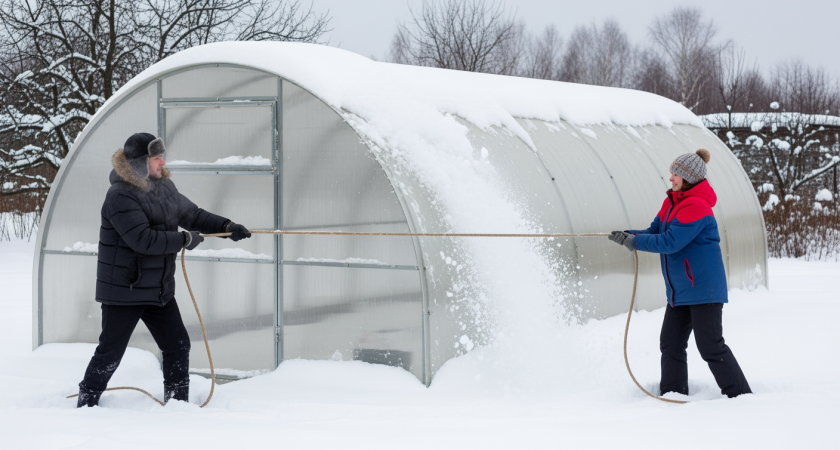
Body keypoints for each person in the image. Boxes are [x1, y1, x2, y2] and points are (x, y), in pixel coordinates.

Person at [76, 132, 252, 407]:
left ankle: (177, 403)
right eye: (156, 158)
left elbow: (192, 215)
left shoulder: (164, 188)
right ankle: (86, 402)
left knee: (177, 345)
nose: (163, 162)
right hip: (124, 291)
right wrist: (184, 240)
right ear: (140, 163)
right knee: (110, 353)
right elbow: (143, 240)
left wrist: (226, 226)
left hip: (158, 290)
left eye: (161, 156)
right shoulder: (119, 196)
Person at [608, 149, 751, 398]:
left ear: (689, 177)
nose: (671, 178)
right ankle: (673, 394)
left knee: (710, 346)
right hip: (681, 290)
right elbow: (655, 231)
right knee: (671, 343)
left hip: (704, 289)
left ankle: (740, 396)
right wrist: (629, 235)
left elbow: (670, 242)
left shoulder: (697, 206)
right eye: (672, 172)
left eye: (676, 174)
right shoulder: (672, 202)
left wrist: (635, 242)